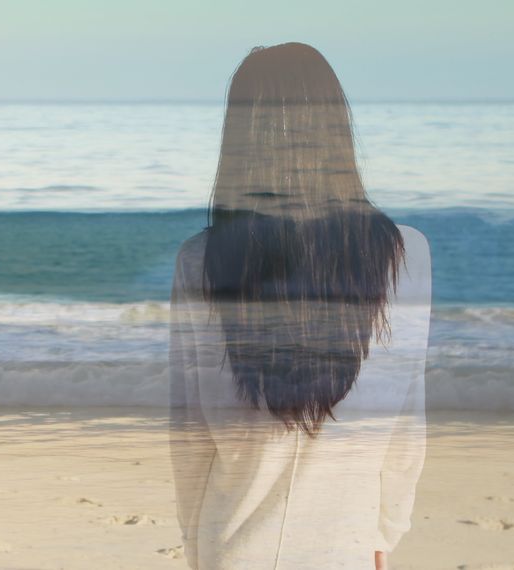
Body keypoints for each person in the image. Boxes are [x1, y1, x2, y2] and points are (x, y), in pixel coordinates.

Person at [168, 43, 432, 569]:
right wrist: (384, 532)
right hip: (347, 546)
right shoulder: (406, 254)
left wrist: (196, 544)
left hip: (232, 544)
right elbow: (404, 422)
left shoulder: (203, 259)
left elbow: (192, 432)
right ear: (336, 130)